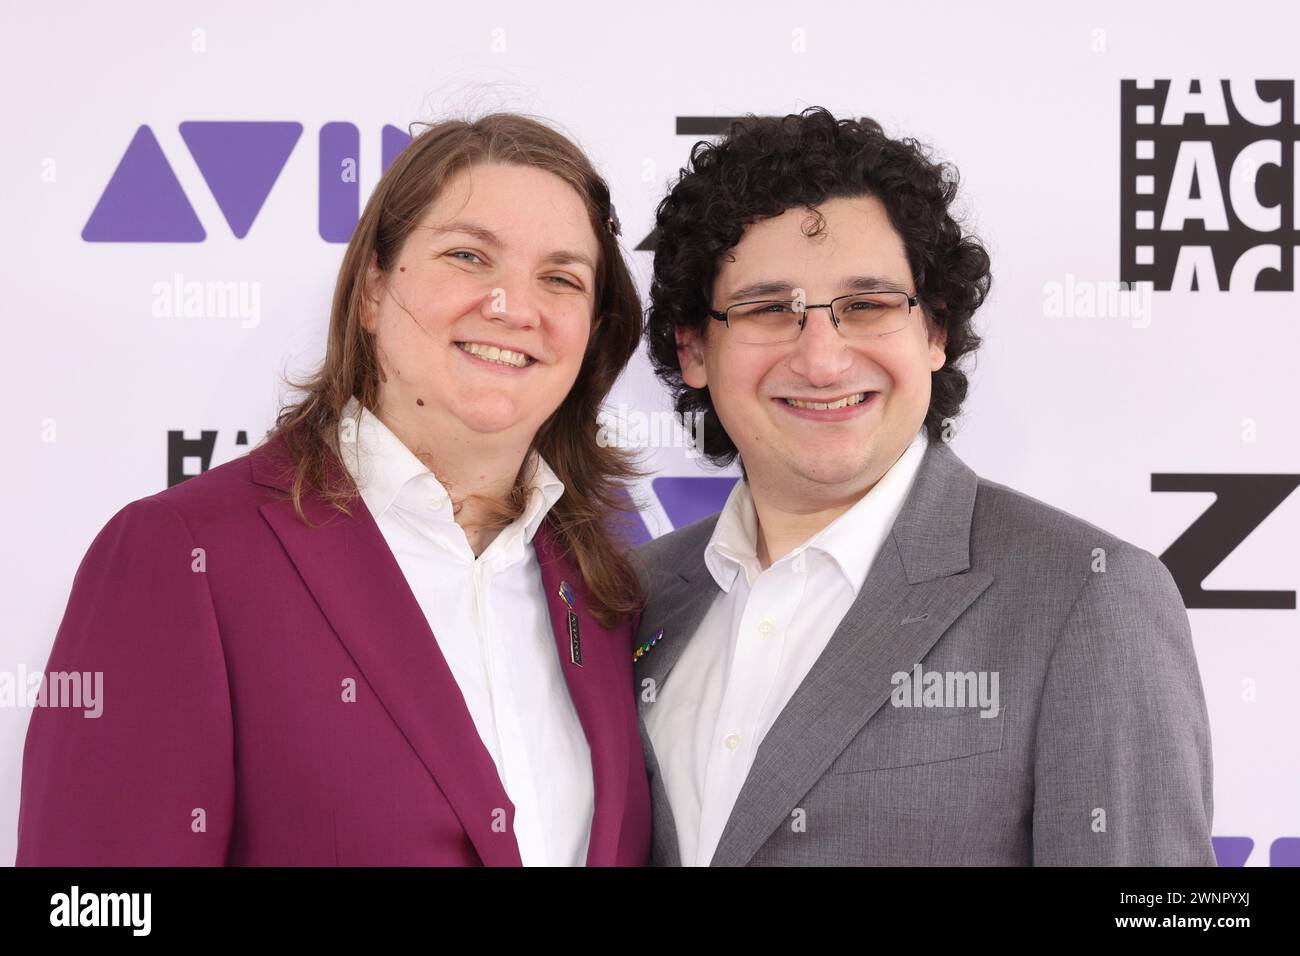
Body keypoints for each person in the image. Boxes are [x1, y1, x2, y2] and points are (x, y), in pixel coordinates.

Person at [17, 113, 651, 866]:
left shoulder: (602, 586)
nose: (514, 306)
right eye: (468, 256)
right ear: (373, 292)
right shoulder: (187, 555)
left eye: (560, 278)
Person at [633, 107, 1215, 866]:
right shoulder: (635, 597)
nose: (822, 360)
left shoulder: (1088, 597)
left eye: (867, 306)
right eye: (769, 309)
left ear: (935, 331)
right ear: (694, 348)